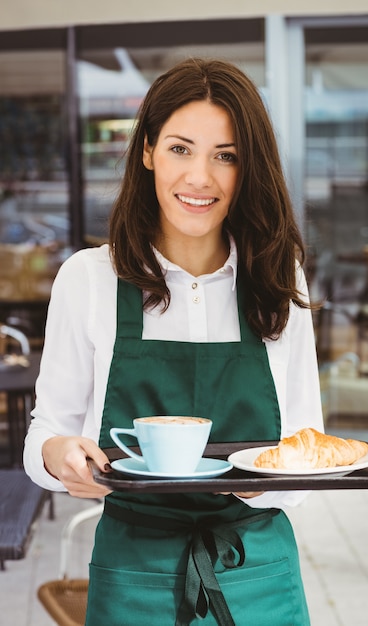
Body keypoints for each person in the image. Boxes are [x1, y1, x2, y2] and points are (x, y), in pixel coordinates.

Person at [24, 57, 323, 626]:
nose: (200, 178)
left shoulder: (279, 277)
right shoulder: (89, 278)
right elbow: (44, 434)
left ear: (248, 168)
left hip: (257, 571)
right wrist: (59, 457)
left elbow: (302, 446)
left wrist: (264, 488)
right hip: (133, 572)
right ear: (147, 152)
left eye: (226, 156)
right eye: (180, 149)